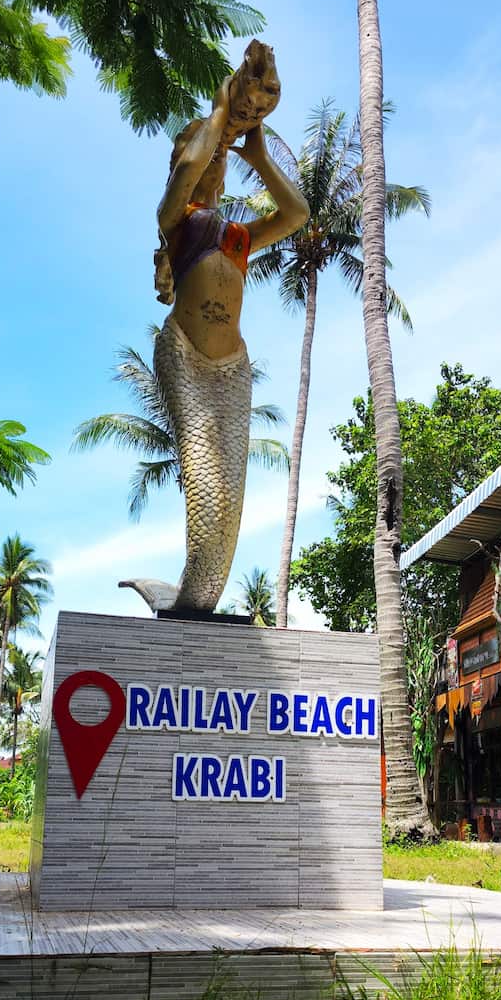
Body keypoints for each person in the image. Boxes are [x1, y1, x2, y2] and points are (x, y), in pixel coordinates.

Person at [149, 76, 309, 613]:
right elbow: (189, 170)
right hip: (185, 355)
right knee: (205, 485)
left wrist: (259, 158)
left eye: (221, 157)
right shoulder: (177, 220)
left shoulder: (236, 235)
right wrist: (219, 115)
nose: (215, 163)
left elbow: (296, 216)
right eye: (208, 155)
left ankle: (194, 598)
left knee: (230, 501)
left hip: (232, 366)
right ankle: (190, 599)